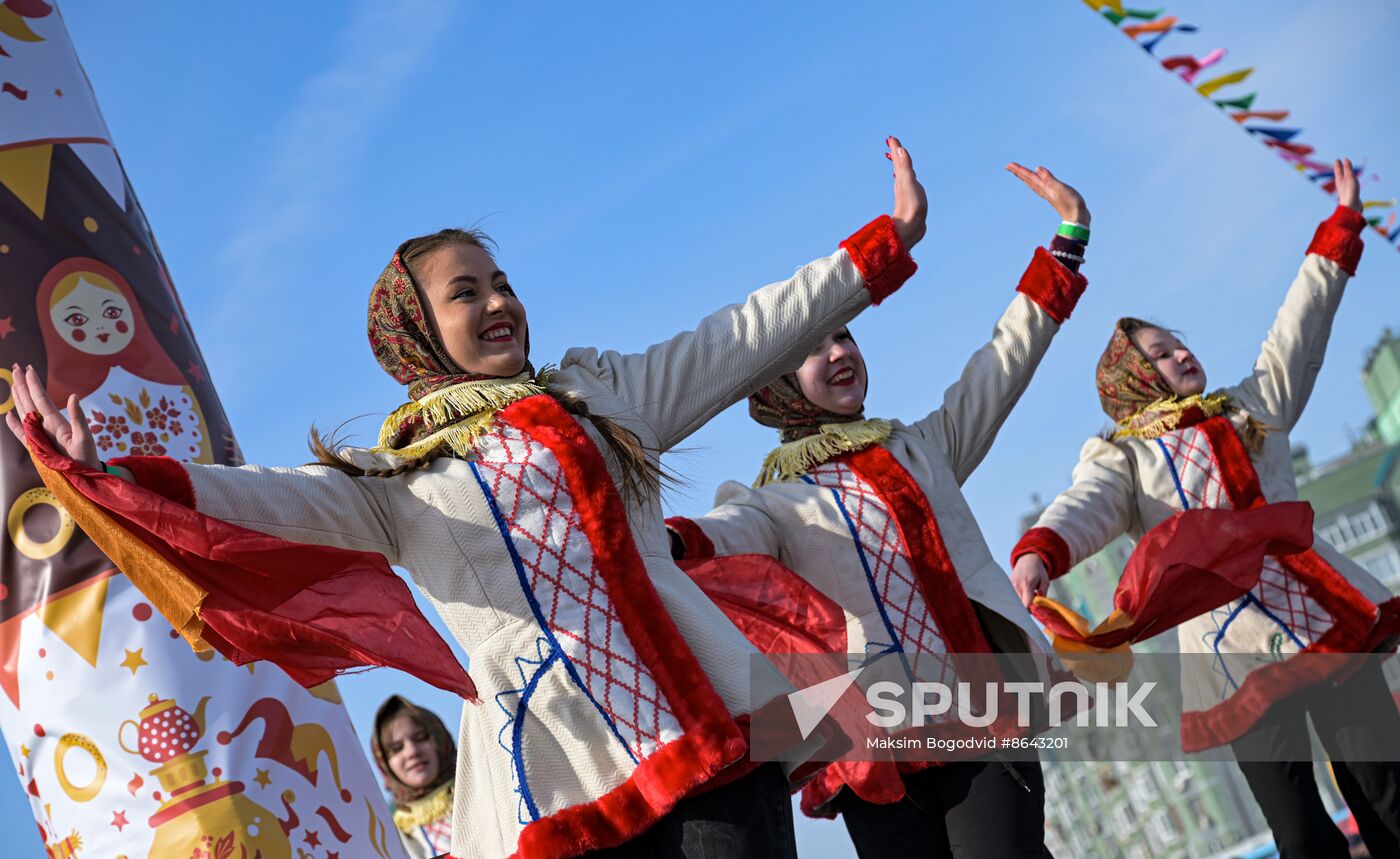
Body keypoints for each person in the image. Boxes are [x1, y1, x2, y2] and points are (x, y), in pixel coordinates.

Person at [10, 139, 928, 859]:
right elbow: (256, 502)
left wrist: (878, 249)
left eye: (503, 283)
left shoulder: (601, 397)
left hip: (713, 733)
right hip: (563, 772)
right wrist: (110, 474)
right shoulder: (397, 482)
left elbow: (740, 336)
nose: (499, 302)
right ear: (415, 328)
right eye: (466, 292)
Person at [666, 163, 1091, 858]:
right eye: (812, 346)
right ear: (772, 382)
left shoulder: (923, 449)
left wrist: (1066, 245)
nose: (838, 352)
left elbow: (1001, 365)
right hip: (872, 751)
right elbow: (723, 535)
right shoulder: (773, 500)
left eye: (846, 336)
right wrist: (665, 541)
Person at [1010, 160, 1400, 859]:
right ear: (1133, 377)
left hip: (1326, 617)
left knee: (1388, 794)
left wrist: (1339, 230)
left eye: (1179, 342)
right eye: (1161, 353)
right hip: (1231, 655)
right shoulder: (1124, 456)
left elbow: (1297, 335)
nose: (1182, 353)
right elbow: (1087, 505)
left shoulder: (1252, 409)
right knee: (1300, 831)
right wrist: (1043, 548)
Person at [373, 696, 457, 859]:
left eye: (421, 738)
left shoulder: (486, 792)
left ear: (440, 738)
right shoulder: (390, 840)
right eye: (396, 749)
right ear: (384, 763)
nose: (412, 752)